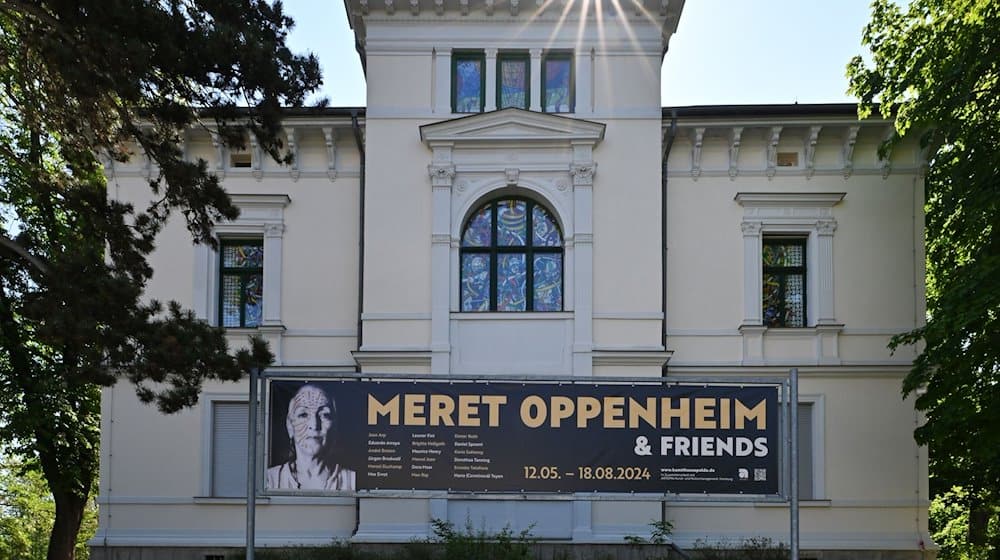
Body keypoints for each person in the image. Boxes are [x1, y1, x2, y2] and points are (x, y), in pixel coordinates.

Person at [267, 383, 356, 490]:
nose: (314, 425)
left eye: (324, 415)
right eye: (303, 414)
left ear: (335, 426)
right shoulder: (270, 480)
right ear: (290, 425)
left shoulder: (352, 480)